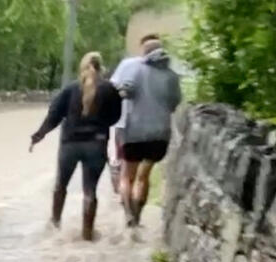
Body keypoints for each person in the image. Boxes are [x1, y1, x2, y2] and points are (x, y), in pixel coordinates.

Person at [29, 51, 122, 240]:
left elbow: (54, 115)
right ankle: (87, 236)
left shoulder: (70, 89)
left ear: (82, 67)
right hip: (96, 145)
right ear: (101, 68)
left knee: (60, 186)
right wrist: (101, 124)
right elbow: (116, 117)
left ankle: (55, 227)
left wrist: (39, 135)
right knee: (90, 191)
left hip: (70, 145)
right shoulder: (110, 89)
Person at [111, 35, 182, 227]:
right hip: (160, 134)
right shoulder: (172, 76)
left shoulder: (135, 69)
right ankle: (138, 217)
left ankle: (128, 215)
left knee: (127, 176)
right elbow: (175, 103)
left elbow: (125, 92)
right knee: (144, 177)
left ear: (145, 52)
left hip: (133, 132)